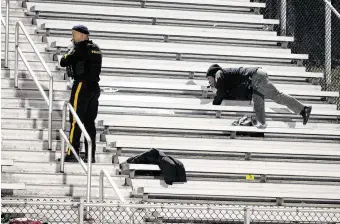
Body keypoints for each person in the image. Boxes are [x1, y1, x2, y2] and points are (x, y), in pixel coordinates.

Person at [206, 64, 312, 129]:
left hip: (256, 78)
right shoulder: (223, 77)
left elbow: (221, 93)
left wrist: (214, 105)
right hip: (255, 80)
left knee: (277, 97)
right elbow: (227, 92)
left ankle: (303, 109)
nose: (209, 82)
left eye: (208, 79)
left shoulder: (219, 74)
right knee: (258, 105)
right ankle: (261, 126)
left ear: (212, 74)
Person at [60, 25, 102, 163]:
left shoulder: (79, 48)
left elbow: (63, 61)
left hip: (81, 86)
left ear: (82, 35)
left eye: (74, 34)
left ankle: (72, 152)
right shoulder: (96, 48)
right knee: (90, 122)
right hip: (94, 88)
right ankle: (91, 155)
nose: (72, 37)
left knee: (75, 120)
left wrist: (70, 50)